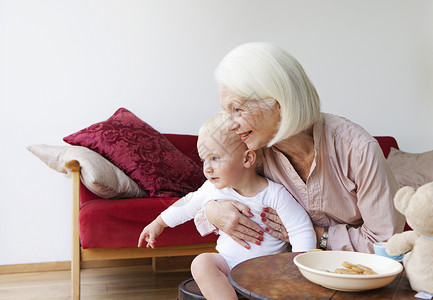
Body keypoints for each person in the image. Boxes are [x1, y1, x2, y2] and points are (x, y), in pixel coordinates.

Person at [194, 42, 405, 254]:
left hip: (355, 272)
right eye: (227, 111)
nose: (230, 124)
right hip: (283, 269)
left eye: (238, 109)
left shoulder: (357, 150)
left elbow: (386, 242)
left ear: (278, 104)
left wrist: (315, 234)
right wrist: (212, 211)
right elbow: (211, 191)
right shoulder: (251, 148)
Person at [138, 111, 316, 300]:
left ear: (247, 159)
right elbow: (186, 204)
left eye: (215, 158)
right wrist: (159, 223)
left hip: (270, 272)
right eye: (204, 159)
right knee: (202, 262)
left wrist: (298, 270)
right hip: (228, 266)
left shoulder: (274, 194)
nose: (207, 167)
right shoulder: (212, 190)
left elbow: (301, 230)